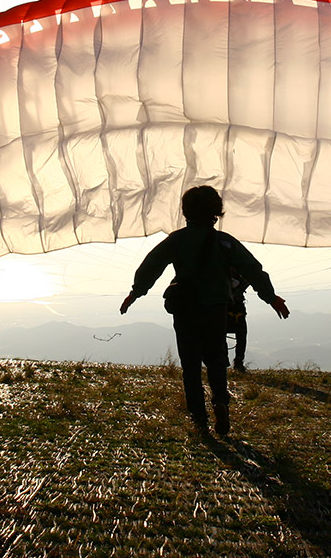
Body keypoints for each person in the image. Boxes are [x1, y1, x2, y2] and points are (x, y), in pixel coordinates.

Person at [120, 186, 290, 435]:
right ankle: (220, 401)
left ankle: (199, 417)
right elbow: (253, 269)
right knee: (216, 358)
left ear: (185, 211)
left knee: (190, 362)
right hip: (216, 306)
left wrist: (135, 293)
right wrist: (271, 297)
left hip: (185, 306)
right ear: (216, 212)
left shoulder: (177, 240)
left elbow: (151, 265)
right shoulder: (225, 242)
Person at [226, 269, 250, 373]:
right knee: (241, 335)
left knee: (241, 335)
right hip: (230, 308)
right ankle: (236, 362)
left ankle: (237, 361)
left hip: (232, 308)